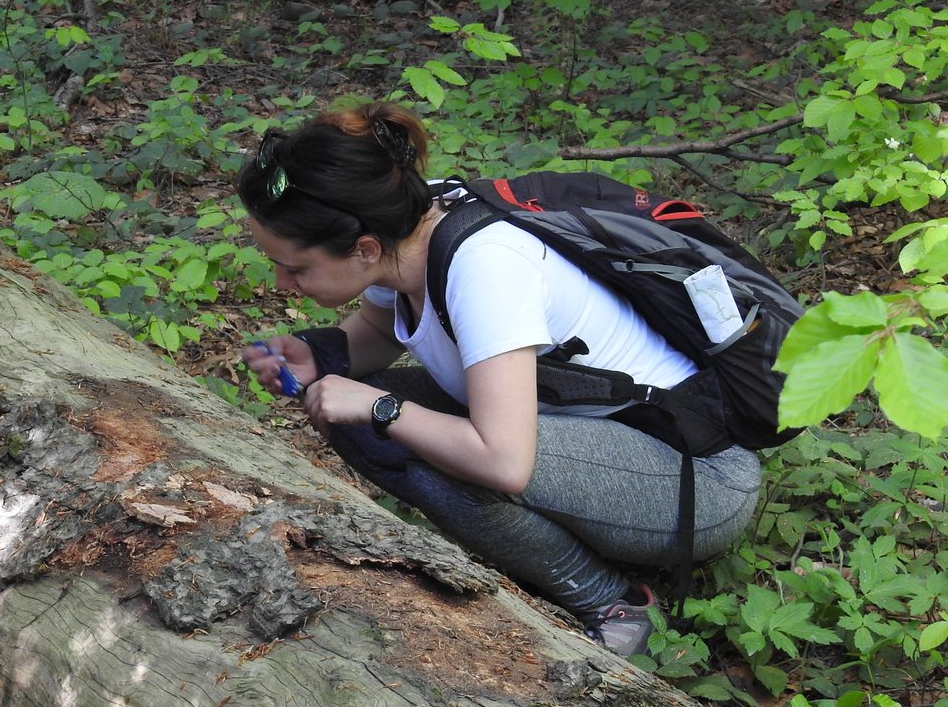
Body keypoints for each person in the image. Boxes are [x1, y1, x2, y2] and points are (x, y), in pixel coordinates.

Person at [235, 101, 762, 656]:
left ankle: (611, 598)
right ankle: (564, 552)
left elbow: (503, 462)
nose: (280, 282)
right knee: (347, 413)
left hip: (698, 482)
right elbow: (383, 326)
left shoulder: (485, 267)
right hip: (591, 442)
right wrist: (324, 356)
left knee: (419, 442)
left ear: (364, 250)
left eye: (295, 268)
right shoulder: (404, 227)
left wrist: (381, 407)